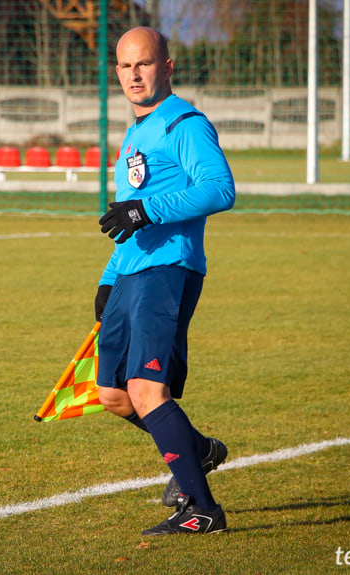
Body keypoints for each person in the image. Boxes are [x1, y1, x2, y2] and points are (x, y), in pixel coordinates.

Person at [94, 26, 236, 536]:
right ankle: (197, 450)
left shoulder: (185, 125)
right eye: (126, 66)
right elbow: (127, 219)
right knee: (111, 393)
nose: (134, 75)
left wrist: (146, 209)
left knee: (147, 387)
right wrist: (110, 278)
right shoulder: (135, 132)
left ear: (167, 67)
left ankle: (203, 510)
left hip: (170, 270)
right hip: (132, 274)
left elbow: (220, 190)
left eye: (145, 64)